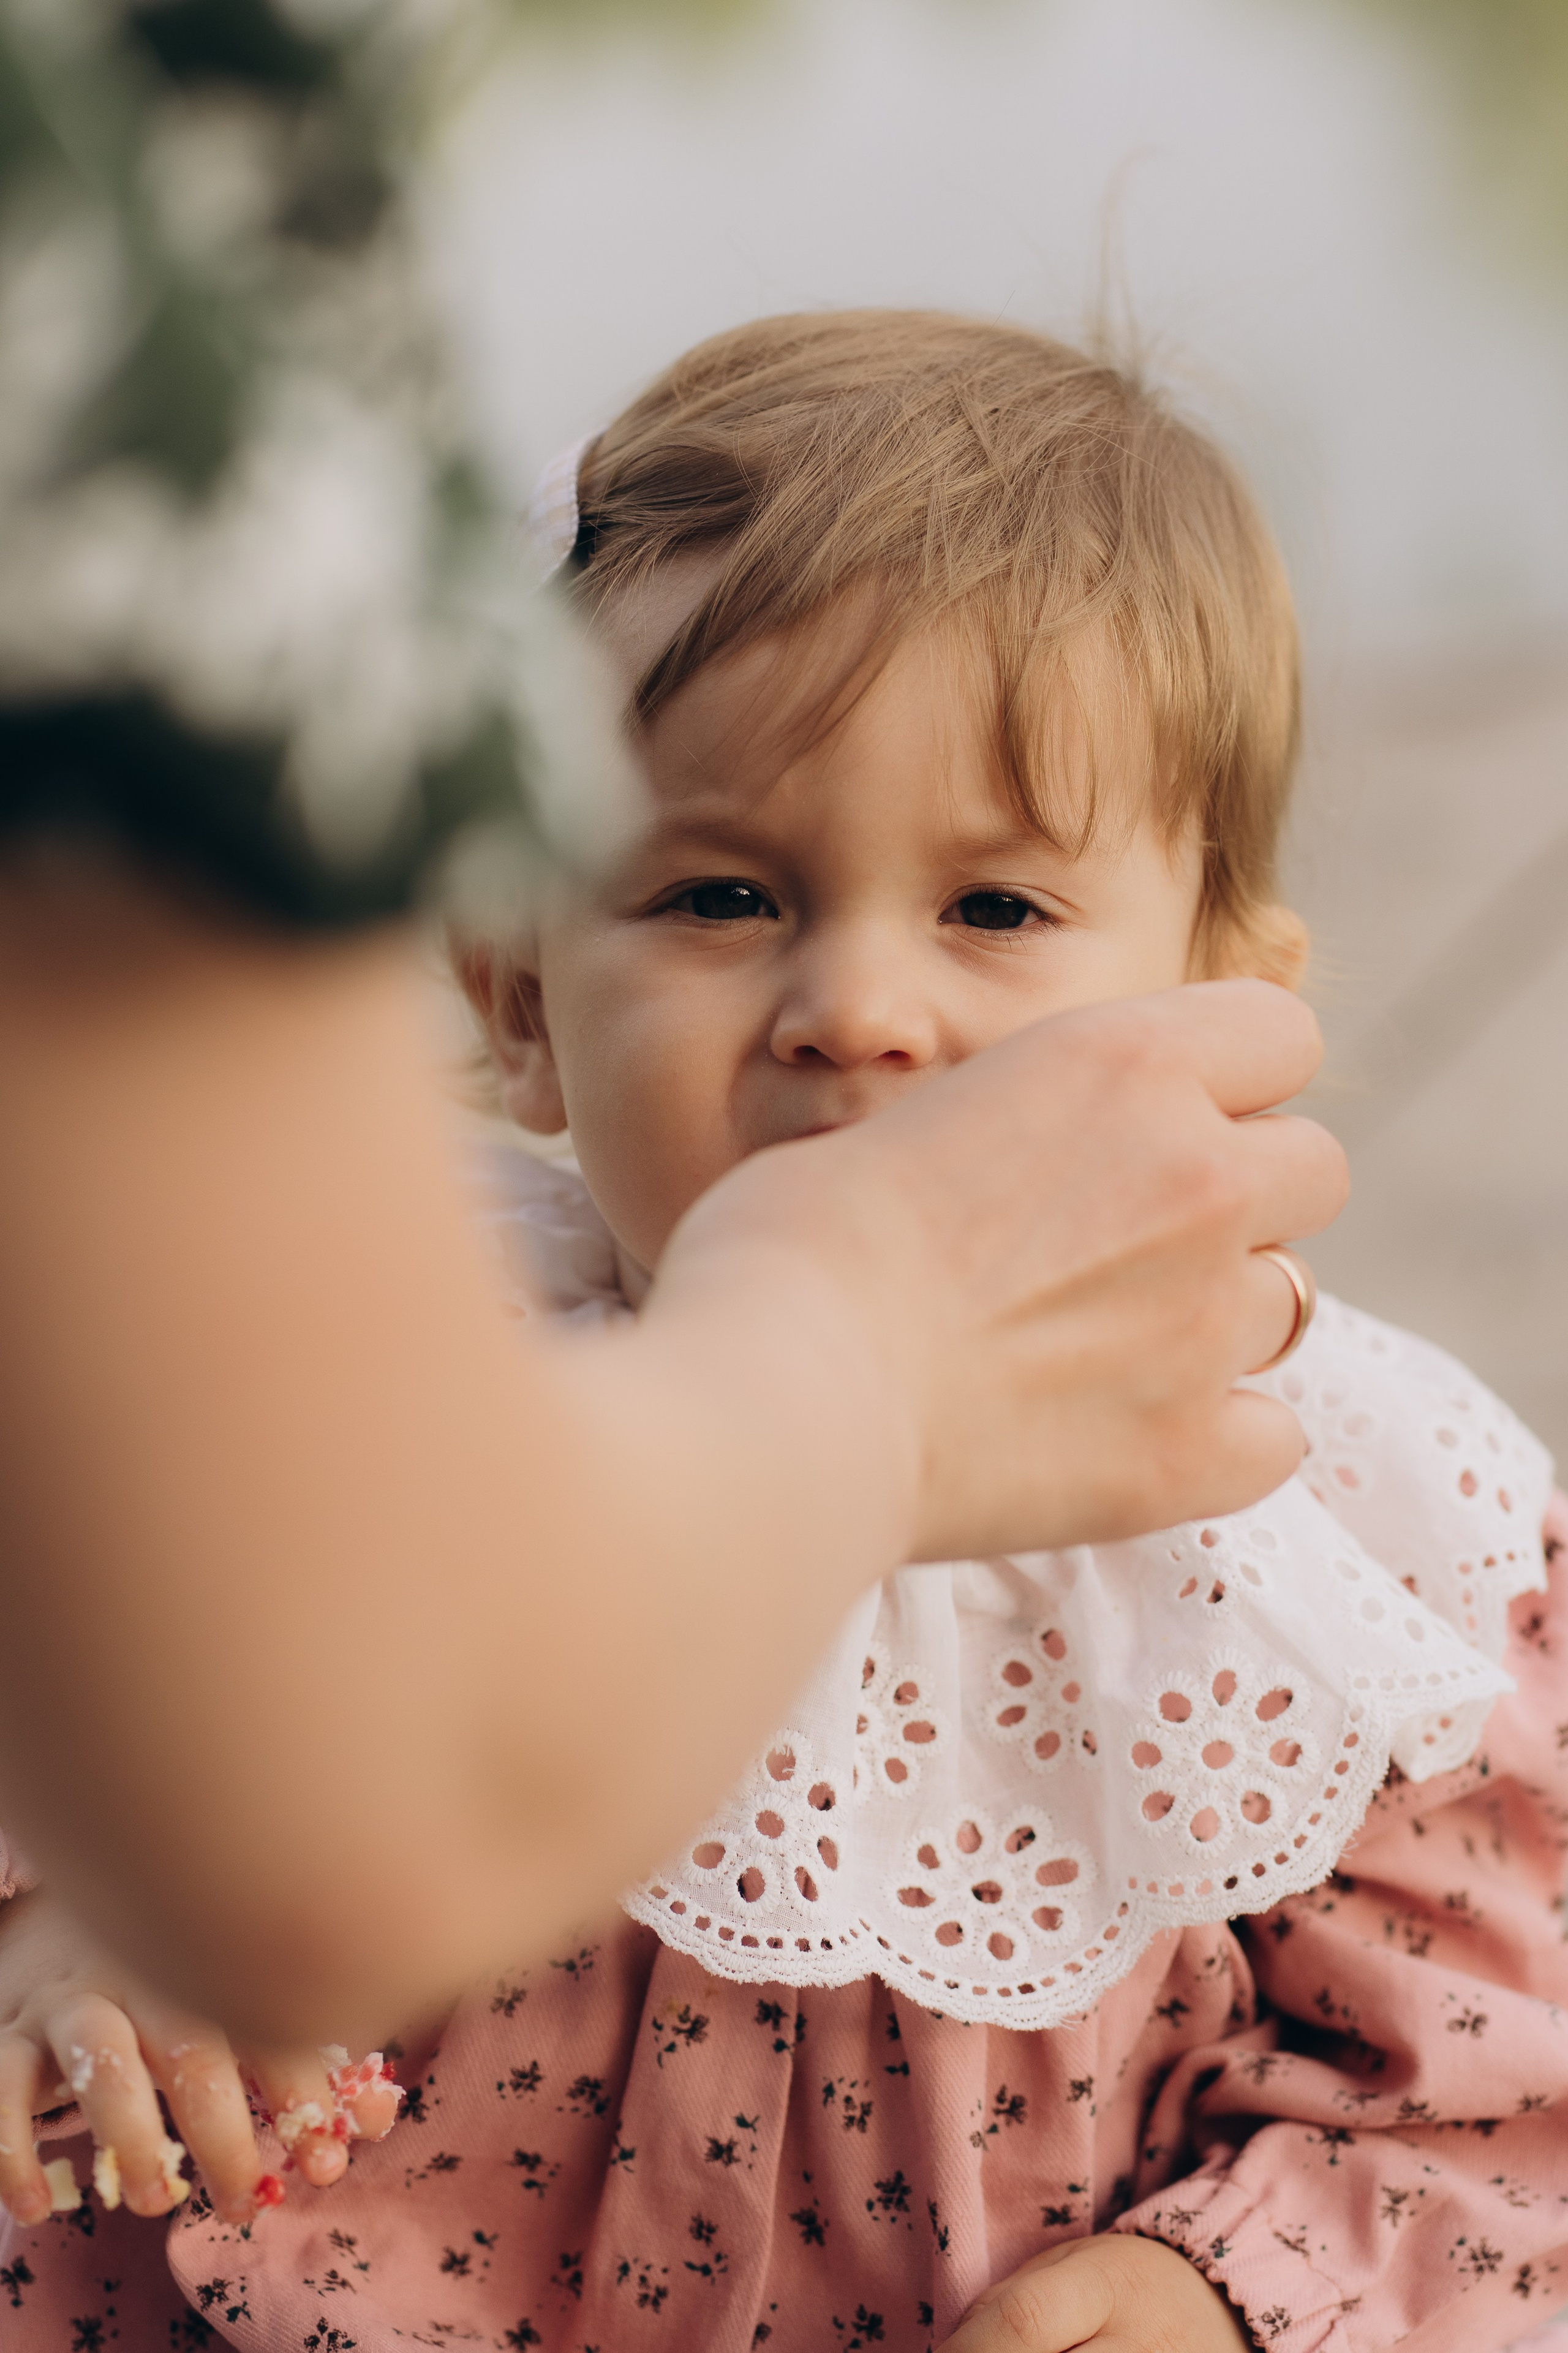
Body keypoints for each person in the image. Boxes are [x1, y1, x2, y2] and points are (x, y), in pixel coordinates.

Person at [1, 312, 1560, 2353]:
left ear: (1221, 1021)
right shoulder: (340, 1379)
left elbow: (1501, 2082)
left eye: (996, 910)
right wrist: (94, 1947)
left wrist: (1221, 2288)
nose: (858, 1006)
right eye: (723, 895)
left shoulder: (1337, 1533)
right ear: (522, 991)